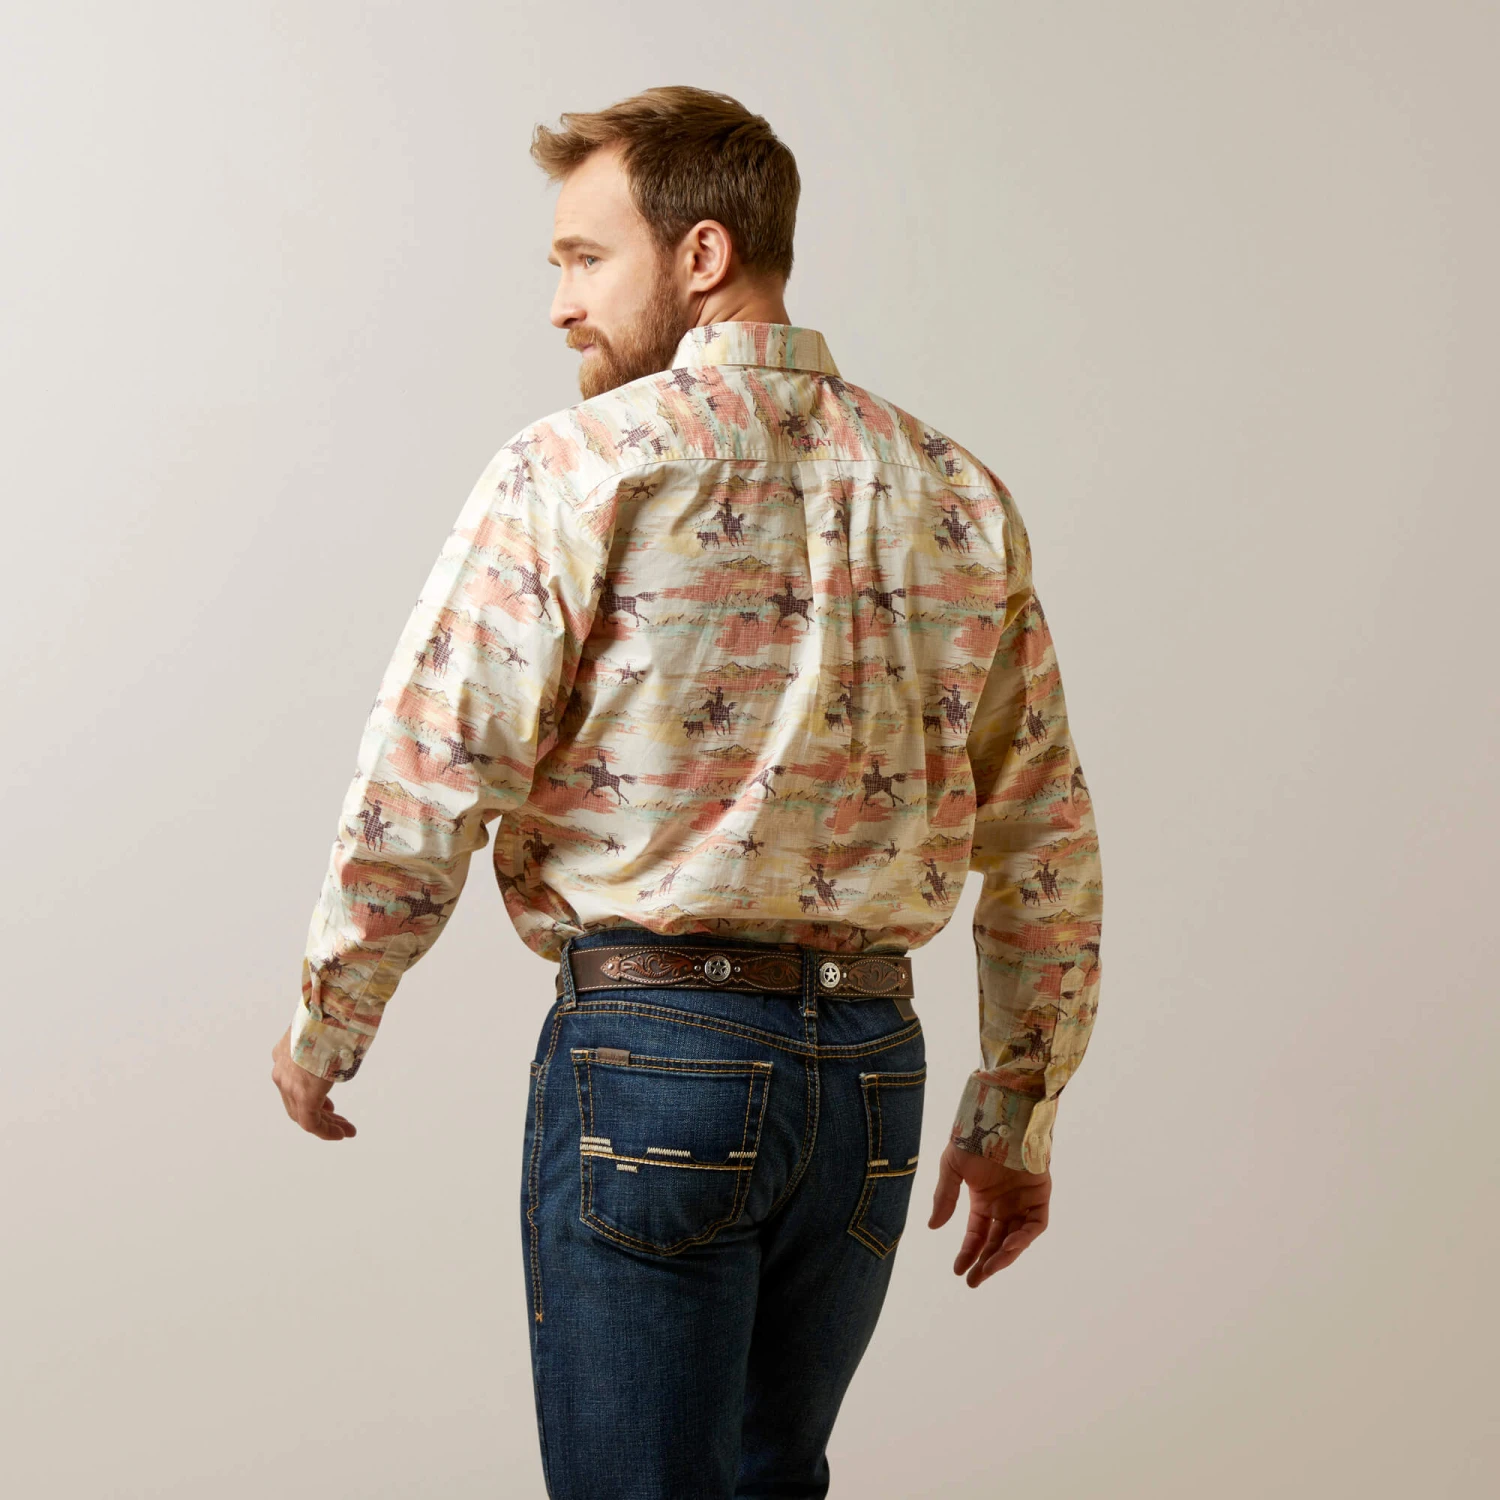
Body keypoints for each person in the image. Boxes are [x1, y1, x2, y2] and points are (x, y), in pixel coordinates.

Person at [270, 85, 1103, 1499]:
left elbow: (433, 766)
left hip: (657, 1059)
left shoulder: (579, 467)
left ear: (701, 255)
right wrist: (1014, 1107)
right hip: (873, 1081)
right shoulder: (954, 489)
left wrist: (329, 1015)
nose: (560, 303)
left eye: (585, 258)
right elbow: (1043, 831)